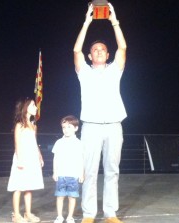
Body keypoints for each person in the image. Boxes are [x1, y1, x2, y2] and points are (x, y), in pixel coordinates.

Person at [73, 3, 127, 223]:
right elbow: (76, 50)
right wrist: (87, 21)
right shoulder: (84, 72)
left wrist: (114, 20)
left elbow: (122, 48)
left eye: (103, 49)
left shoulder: (115, 70)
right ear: (90, 55)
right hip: (91, 126)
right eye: (95, 50)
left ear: (107, 54)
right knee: (90, 171)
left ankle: (110, 213)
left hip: (114, 125)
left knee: (112, 170)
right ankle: (88, 214)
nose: (99, 51)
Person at [7, 98, 44, 223]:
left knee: (29, 186)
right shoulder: (19, 125)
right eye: (33, 105)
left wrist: (40, 156)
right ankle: (16, 215)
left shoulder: (34, 126)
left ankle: (28, 213)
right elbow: (17, 143)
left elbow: (35, 143)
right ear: (26, 107)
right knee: (18, 186)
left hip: (32, 157)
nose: (36, 107)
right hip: (22, 157)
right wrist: (20, 160)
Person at [52, 115, 84, 223]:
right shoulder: (59, 142)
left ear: (76, 128)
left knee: (72, 197)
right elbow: (55, 158)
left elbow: (81, 160)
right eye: (64, 127)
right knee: (60, 196)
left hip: (74, 175)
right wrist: (55, 172)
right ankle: (60, 216)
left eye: (69, 127)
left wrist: (82, 174)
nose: (66, 130)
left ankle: (70, 217)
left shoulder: (79, 144)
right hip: (61, 174)